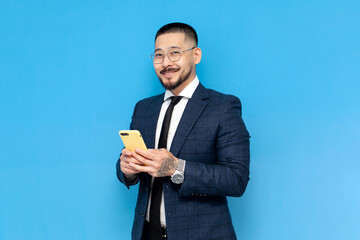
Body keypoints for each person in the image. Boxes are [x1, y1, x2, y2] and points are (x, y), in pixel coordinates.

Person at [116, 22, 250, 240]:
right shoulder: (144, 108)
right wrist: (127, 170)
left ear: (195, 55)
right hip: (146, 233)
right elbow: (129, 171)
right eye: (158, 55)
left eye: (175, 53)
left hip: (202, 234)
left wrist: (175, 167)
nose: (166, 63)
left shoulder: (223, 107)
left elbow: (236, 179)